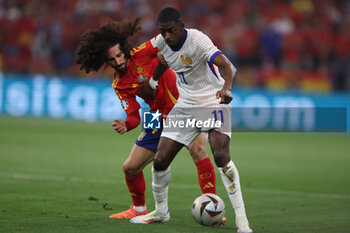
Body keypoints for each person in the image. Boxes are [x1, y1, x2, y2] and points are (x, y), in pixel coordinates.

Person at [75, 18, 220, 221]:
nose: (118, 61)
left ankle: (212, 209)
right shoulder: (119, 84)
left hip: (186, 106)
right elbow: (133, 115)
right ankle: (139, 209)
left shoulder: (143, 52)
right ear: (104, 61)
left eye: (119, 55)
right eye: (111, 60)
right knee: (130, 167)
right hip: (155, 115)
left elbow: (165, 38)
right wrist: (127, 124)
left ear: (123, 49)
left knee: (198, 150)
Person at [130, 7, 253, 233]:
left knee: (221, 155)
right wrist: (154, 82)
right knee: (160, 161)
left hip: (213, 101)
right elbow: (163, 61)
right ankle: (161, 212)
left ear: (181, 26)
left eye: (171, 31)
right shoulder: (162, 42)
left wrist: (226, 89)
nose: (167, 36)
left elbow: (227, 66)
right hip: (185, 106)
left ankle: (242, 221)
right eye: (163, 32)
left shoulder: (198, 40)